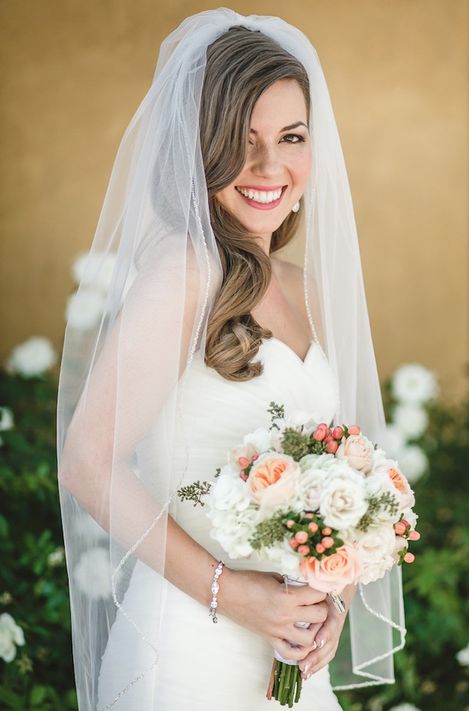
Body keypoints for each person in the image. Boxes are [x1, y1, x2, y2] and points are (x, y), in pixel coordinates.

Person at [56, 9, 406, 711]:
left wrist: (327, 597)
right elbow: (87, 463)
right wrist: (229, 589)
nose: (270, 167)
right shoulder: (184, 275)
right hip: (189, 646)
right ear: (200, 147)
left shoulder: (303, 290)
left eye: (292, 137)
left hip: (286, 657)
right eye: (242, 142)